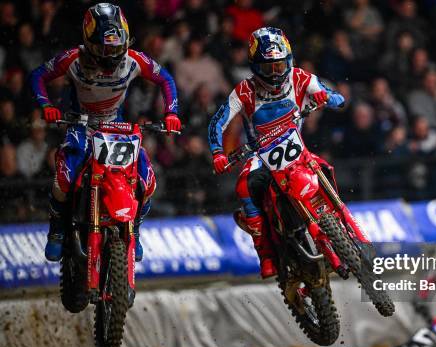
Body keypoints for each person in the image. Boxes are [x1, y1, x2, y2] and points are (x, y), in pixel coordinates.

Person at [30, 3, 181, 262]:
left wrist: (172, 113)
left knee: (146, 180)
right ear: (88, 43)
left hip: (116, 126)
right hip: (81, 125)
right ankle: (55, 231)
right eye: (104, 49)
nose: (111, 55)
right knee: (64, 179)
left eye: (116, 48)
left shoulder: (133, 60)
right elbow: (39, 75)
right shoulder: (73, 60)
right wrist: (46, 106)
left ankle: (135, 231)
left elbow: (165, 78)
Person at [208, 27, 345, 279]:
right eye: (268, 67)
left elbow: (338, 98)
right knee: (243, 188)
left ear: (288, 61)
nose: (275, 73)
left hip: (296, 149)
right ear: (255, 66)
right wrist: (217, 153)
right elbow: (218, 122)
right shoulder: (244, 91)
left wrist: (329, 98)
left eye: (279, 66)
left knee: (325, 166)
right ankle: (266, 255)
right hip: (258, 156)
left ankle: (339, 219)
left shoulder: (300, 77)